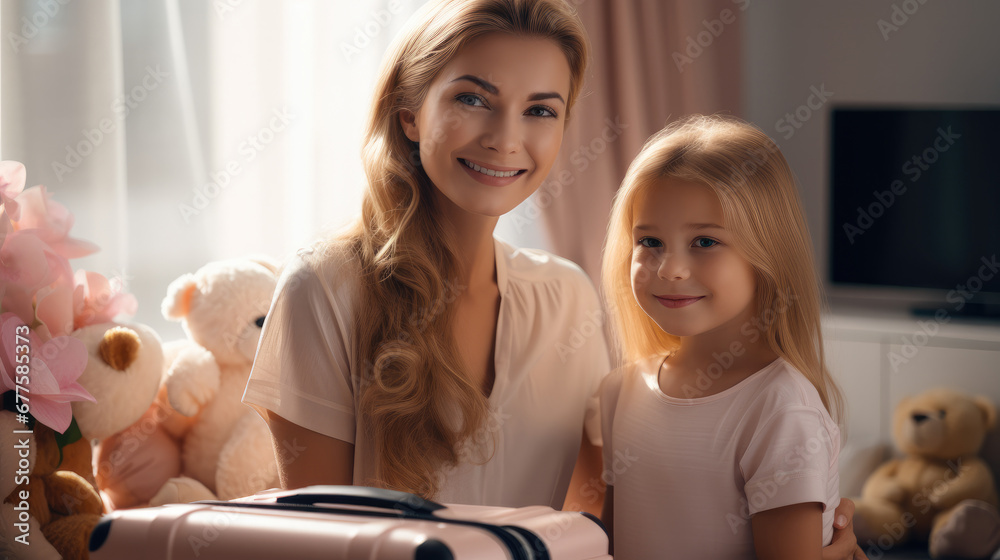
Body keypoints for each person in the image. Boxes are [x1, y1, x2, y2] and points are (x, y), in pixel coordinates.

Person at [242, 1, 864, 556]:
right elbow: (317, 540)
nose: (506, 138)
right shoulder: (322, 290)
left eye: (540, 110)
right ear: (409, 114)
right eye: (473, 98)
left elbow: (595, 522)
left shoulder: (567, 299)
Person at [598, 114, 856, 559]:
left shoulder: (780, 409)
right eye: (650, 241)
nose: (670, 269)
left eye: (704, 242)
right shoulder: (619, 390)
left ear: (767, 251)